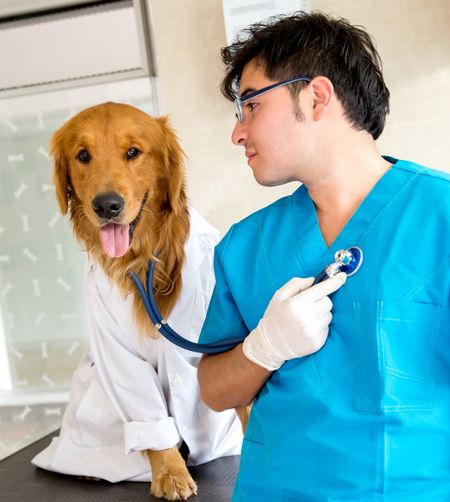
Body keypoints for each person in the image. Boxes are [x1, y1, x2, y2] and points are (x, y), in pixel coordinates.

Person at [198, 11, 450, 501]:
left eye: (250, 106)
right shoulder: (244, 246)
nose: (238, 133)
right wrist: (262, 349)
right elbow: (214, 390)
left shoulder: (440, 216)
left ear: (316, 96)